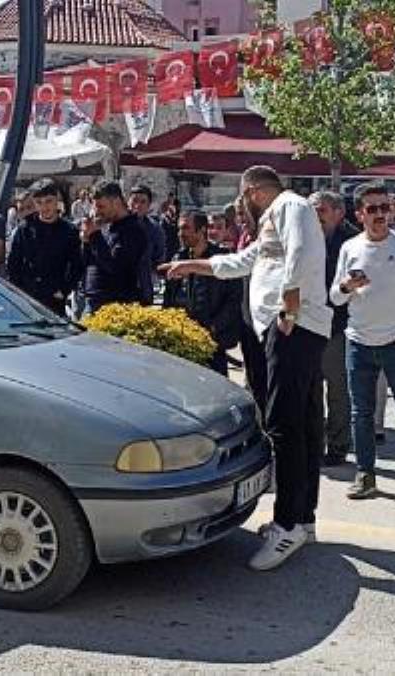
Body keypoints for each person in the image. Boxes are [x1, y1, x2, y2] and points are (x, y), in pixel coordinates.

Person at [162, 166, 330, 572]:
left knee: (284, 424)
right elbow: (243, 261)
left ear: (252, 191)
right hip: (291, 324)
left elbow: (302, 254)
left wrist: (288, 310)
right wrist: (192, 267)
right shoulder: (273, 219)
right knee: (303, 423)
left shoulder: (291, 206)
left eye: (241, 199)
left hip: (292, 324)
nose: (241, 207)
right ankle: (302, 518)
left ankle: (288, 522)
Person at [330, 182, 395, 504]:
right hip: (358, 343)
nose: (380, 214)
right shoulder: (350, 248)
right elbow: (334, 297)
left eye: (384, 207)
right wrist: (347, 286)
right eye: (373, 209)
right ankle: (365, 474)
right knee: (361, 415)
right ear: (360, 214)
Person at [310, 190, 360, 466]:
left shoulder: (353, 242)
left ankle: (338, 445)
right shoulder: (306, 237)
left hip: (339, 324)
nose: (315, 216)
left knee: (338, 388)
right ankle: (315, 442)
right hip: (310, 322)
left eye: (321, 210)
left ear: (339, 212)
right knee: (311, 387)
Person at [162, 211, 243, 375]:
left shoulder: (221, 260)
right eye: (179, 229)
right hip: (182, 338)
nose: (181, 234)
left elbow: (234, 299)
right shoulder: (179, 257)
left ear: (201, 230)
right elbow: (169, 297)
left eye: (186, 228)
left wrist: (214, 327)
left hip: (212, 339)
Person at [6, 179, 83, 315]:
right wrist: (18, 290)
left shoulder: (69, 231)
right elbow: (13, 263)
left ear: (56, 200)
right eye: (39, 203)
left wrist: (64, 290)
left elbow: (76, 264)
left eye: (48, 201)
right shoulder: (25, 229)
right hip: (27, 296)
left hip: (54, 297)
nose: (44, 207)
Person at [80, 181, 147, 313]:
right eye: (95, 207)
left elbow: (115, 266)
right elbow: (88, 262)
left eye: (101, 206)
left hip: (115, 304)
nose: (97, 212)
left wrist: (94, 235)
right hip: (92, 299)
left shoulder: (133, 230)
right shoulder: (105, 225)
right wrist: (86, 241)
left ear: (116, 202)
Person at [234, 196, 268, 415]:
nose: (241, 219)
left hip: (265, 320)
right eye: (238, 214)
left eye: (245, 213)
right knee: (254, 378)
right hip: (247, 318)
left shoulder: (267, 240)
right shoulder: (245, 239)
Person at [127, 185, 165, 305]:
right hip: (117, 288)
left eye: (143, 202)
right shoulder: (116, 225)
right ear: (128, 202)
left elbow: (159, 257)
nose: (138, 205)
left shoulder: (155, 229)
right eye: (134, 201)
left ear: (148, 206)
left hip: (144, 287)